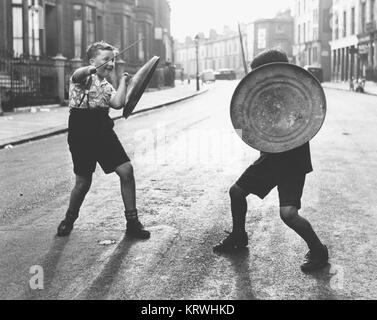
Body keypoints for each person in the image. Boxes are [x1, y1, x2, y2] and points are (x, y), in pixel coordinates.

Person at [213, 49, 329, 273]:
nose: (256, 80)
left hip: (293, 160)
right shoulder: (265, 98)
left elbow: (310, 120)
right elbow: (250, 123)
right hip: (271, 158)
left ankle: (318, 250)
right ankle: (239, 237)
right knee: (236, 192)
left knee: (288, 215)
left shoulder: (296, 98)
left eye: (259, 75)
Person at [57, 41, 150, 240]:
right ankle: (69, 219)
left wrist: (124, 82)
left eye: (113, 60)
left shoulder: (107, 85)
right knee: (83, 182)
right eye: (105, 59)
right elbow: (79, 73)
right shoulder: (81, 78)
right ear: (93, 61)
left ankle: (133, 223)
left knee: (126, 170)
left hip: (103, 129)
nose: (110, 63)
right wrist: (90, 69)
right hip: (81, 130)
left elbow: (117, 104)